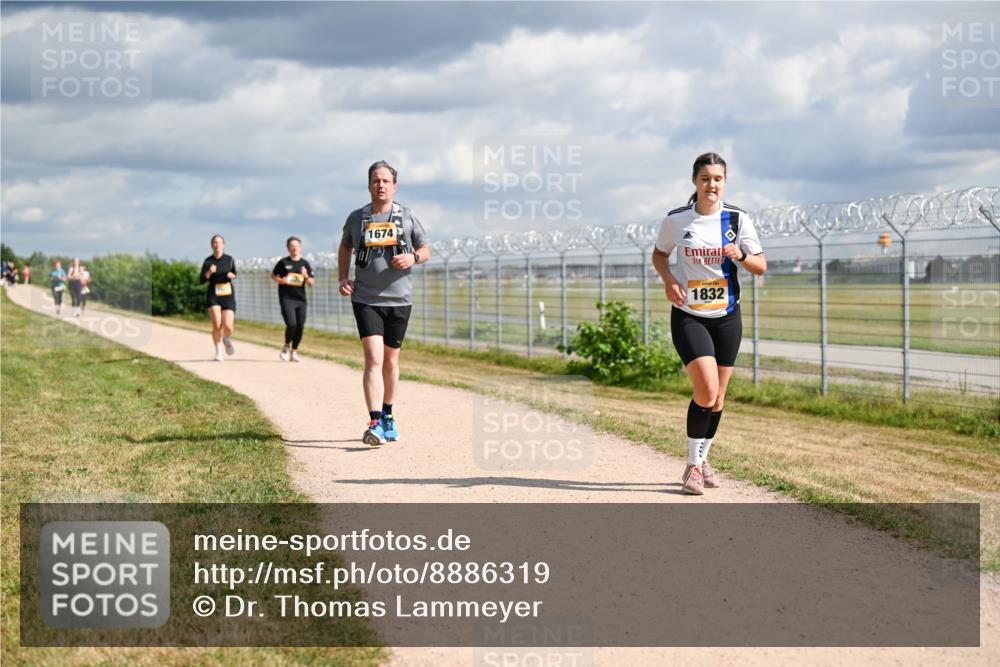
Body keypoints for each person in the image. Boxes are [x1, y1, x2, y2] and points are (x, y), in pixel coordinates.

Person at [651, 152, 767, 495]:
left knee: (718, 399)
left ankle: (702, 462)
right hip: (689, 315)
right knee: (706, 391)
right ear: (694, 182)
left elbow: (760, 266)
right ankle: (691, 466)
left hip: (727, 317)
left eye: (717, 179)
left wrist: (741, 256)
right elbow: (659, 254)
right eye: (705, 179)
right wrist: (669, 280)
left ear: (725, 182)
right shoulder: (676, 220)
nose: (711, 185)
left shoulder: (737, 219)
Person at [338, 160, 430, 446]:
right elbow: (345, 247)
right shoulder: (357, 218)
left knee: (391, 362)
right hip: (366, 298)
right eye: (376, 181)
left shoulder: (408, 216)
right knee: (374, 358)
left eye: (386, 181)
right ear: (368, 185)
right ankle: (375, 421)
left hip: (400, 300)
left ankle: (388, 415)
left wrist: (413, 257)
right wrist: (343, 278)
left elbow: (425, 249)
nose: (380, 185)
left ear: (394, 186)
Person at [271, 236, 315, 362]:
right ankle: (286, 346)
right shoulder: (283, 263)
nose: (294, 248)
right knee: (292, 324)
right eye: (292, 246)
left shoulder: (304, 264)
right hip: (286, 298)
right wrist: (282, 280)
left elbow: (311, 283)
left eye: (297, 246)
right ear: (288, 248)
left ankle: (294, 351)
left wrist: (305, 275)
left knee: (300, 325)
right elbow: (273, 276)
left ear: (300, 248)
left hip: (301, 299)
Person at [199, 234, 238, 361]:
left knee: (228, 326)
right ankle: (218, 351)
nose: (217, 245)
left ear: (223, 245)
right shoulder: (208, 261)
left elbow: (234, 273)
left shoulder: (230, 259)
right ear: (212, 245)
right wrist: (209, 272)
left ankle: (226, 338)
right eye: (215, 242)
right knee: (217, 323)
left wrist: (232, 275)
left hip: (227, 294)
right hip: (213, 294)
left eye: (220, 242)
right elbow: (202, 280)